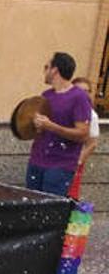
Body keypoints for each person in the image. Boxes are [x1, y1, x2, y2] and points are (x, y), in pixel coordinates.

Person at [24, 52, 91, 196]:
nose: (44, 71)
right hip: (36, 161)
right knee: (29, 209)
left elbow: (83, 134)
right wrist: (34, 124)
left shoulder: (79, 97)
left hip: (60, 166)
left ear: (54, 70)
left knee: (48, 212)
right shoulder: (46, 95)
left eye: (46, 67)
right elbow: (40, 130)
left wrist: (51, 126)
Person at [69, 77, 99, 198]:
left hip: (73, 162)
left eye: (87, 91)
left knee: (69, 196)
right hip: (55, 159)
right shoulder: (66, 109)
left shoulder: (91, 115)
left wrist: (78, 161)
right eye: (80, 90)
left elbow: (92, 143)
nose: (83, 94)